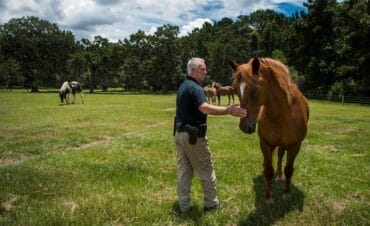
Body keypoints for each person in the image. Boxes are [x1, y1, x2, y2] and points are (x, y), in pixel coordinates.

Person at [174, 57, 247, 213]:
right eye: (202, 68)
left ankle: (184, 206)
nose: (205, 71)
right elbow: (204, 108)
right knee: (206, 168)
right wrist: (228, 110)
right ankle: (211, 204)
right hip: (193, 137)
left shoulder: (183, 86)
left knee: (184, 171)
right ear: (192, 70)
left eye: (205, 68)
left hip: (180, 134)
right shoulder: (195, 88)